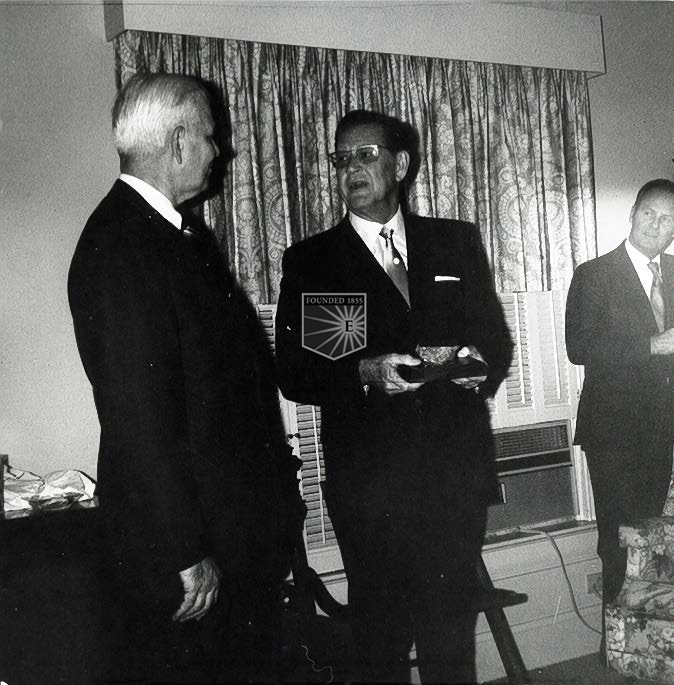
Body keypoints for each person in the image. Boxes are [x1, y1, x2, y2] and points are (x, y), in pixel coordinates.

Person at [68, 72, 301, 683]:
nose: (219, 150)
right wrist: (185, 550)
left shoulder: (176, 235)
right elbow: (139, 418)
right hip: (188, 546)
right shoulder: (121, 246)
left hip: (226, 530)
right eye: (209, 136)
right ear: (177, 142)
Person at [275, 109, 513, 684]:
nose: (350, 169)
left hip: (453, 475)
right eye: (340, 159)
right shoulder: (318, 260)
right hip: (371, 487)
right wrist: (364, 370)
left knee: (449, 638)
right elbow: (299, 372)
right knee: (380, 641)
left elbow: (494, 338)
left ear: (400, 164)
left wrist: (478, 365)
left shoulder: (452, 241)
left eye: (365, 155)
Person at [566, 178, 674, 650]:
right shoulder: (594, 274)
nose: (656, 224)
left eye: (668, 219)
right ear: (632, 213)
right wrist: (653, 345)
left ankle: (649, 646)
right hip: (612, 432)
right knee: (618, 540)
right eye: (649, 213)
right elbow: (579, 347)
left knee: (652, 539)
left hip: (662, 431)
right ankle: (618, 650)